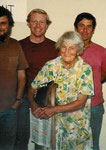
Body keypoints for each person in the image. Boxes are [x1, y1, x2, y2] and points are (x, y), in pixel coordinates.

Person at [28, 31, 94, 150]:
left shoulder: (85, 69)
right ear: (59, 47)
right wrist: (34, 106)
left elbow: (81, 102)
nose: (67, 51)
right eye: (64, 47)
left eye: (72, 48)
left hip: (76, 128)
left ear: (78, 50)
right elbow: (32, 89)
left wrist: (54, 109)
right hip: (52, 126)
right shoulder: (50, 66)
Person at [15, 9, 58, 150]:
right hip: (21, 100)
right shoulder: (18, 46)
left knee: (42, 143)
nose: (38, 25)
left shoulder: (56, 47)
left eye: (42, 22)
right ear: (28, 24)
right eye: (34, 21)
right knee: (20, 140)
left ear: (47, 25)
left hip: (44, 100)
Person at [74, 12, 106, 150]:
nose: (85, 30)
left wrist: (90, 85)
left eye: (89, 26)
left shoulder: (102, 51)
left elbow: (105, 74)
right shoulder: (66, 50)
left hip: (94, 107)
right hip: (71, 107)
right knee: (72, 144)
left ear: (93, 30)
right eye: (81, 26)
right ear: (75, 28)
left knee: (93, 144)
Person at [0, 6, 28, 150]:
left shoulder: (15, 45)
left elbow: (21, 75)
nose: (0, 27)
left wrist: (17, 101)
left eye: (3, 23)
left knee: (8, 147)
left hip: (9, 111)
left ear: (9, 25)